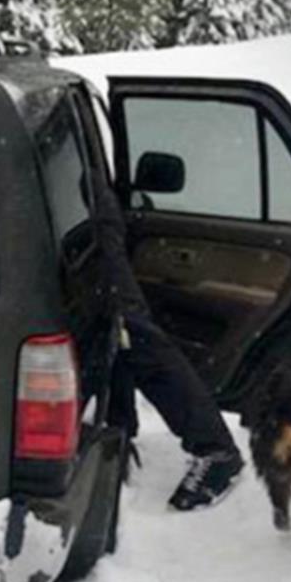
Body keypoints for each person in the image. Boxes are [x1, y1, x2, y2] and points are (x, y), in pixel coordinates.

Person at [89, 167, 244, 511]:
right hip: (82, 225)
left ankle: (216, 451)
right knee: (116, 338)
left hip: (89, 233)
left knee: (132, 334)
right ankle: (119, 434)